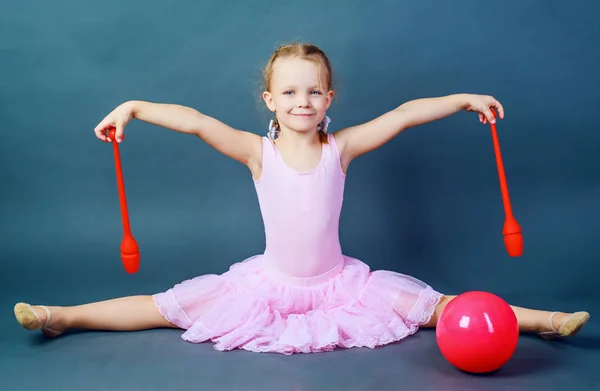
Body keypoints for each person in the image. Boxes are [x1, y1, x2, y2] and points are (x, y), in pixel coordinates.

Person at [14, 43, 589, 354]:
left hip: (340, 282)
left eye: (313, 91)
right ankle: (62, 316)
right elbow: (193, 121)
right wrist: (132, 107)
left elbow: (405, 115)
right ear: (269, 99)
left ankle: (544, 320)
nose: (302, 101)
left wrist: (464, 97)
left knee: (433, 309)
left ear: (329, 96)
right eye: (289, 91)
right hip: (267, 282)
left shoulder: (342, 148)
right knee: (164, 308)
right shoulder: (254, 153)